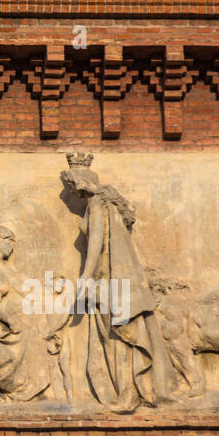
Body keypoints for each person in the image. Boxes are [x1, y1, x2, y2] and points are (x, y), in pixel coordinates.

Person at [60, 152, 173, 412]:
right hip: (118, 282)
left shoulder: (97, 205)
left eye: (70, 185)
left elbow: (97, 242)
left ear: (79, 181)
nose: (71, 192)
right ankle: (130, 390)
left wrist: (85, 278)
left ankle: (128, 393)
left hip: (108, 282)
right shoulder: (108, 203)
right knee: (120, 334)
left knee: (117, 336)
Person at [0, 225, 69, 403]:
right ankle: (5, 391)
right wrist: (10, 319)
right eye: (9, 239)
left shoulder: (6, 269)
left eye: (13, 240)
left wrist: (55, 291)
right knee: (4, 356)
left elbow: (27, 291)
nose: (12, 245)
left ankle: (26, 392)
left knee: (31, 336)